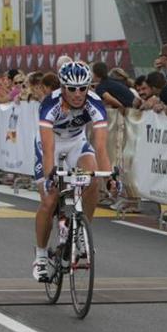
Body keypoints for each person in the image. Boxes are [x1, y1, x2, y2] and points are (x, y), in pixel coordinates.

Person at [32, 61, 114, 282]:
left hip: (77, 142)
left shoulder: (95, 103)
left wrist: (110, 178)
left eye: (82, 88)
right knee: (50, 200)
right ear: (62, 87)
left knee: (93, 179)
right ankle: (40, 256)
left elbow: (100, 147)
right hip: (52, 144)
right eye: (72, 89)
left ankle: (81, 233)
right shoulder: (50, 104)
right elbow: (48, 149)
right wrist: (49, 177)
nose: (78, 94)